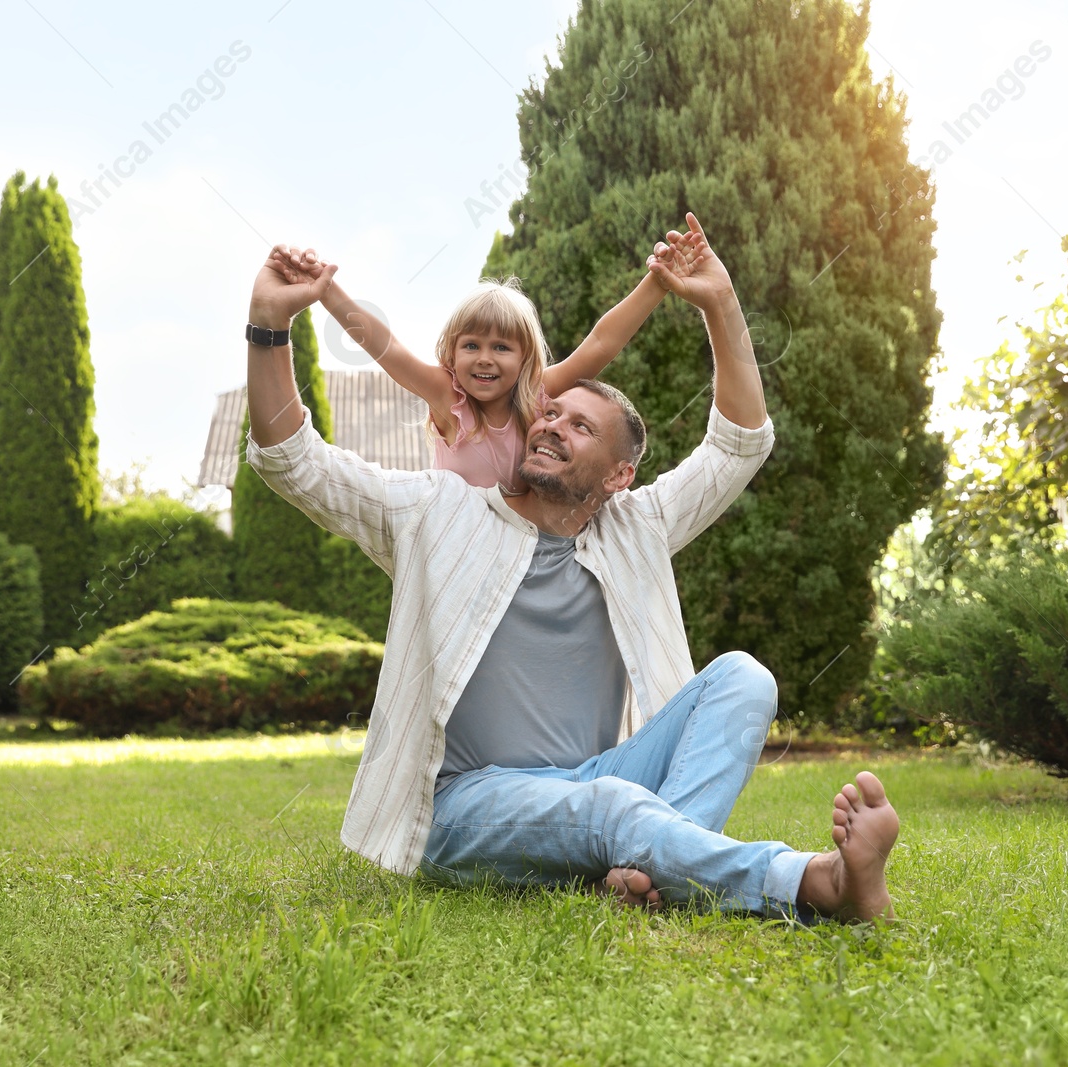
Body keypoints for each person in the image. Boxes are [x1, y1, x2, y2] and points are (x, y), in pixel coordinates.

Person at [242, 212, 899, 921]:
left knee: (744, 677)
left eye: (579, 425)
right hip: (467, 805)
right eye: (550, 413)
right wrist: (268, 328)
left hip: (597, 781)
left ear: (619, 474)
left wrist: (719, 301)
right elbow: (295, 463)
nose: (551, 422)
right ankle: (818, 883)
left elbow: (737, 446)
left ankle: (650, 873)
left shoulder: (635, 527)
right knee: (614, 804)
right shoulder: (439, 511)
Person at [270, 240, 683, 494]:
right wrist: (326, 290)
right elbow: (387, 347)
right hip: (456, 541)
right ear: (451, 354)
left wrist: (657, 282)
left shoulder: (538, 398)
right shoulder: (448, 398)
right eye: (471, 345)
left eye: (501, 347)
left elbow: (600, 343)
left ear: (525, 359)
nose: (484, 358)